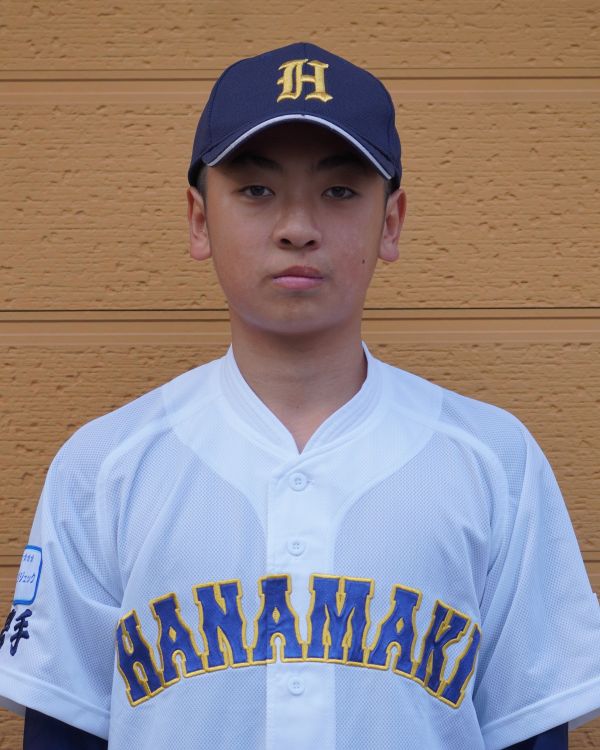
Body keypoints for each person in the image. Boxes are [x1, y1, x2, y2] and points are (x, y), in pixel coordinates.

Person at [0, 42, 598, 750]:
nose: (297, 228)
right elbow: (62, 730)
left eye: (339, 191)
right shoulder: (104, 466)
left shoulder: (495, 461)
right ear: (199, 219)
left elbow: (530, 729)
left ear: (391, 222)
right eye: (256, 190)